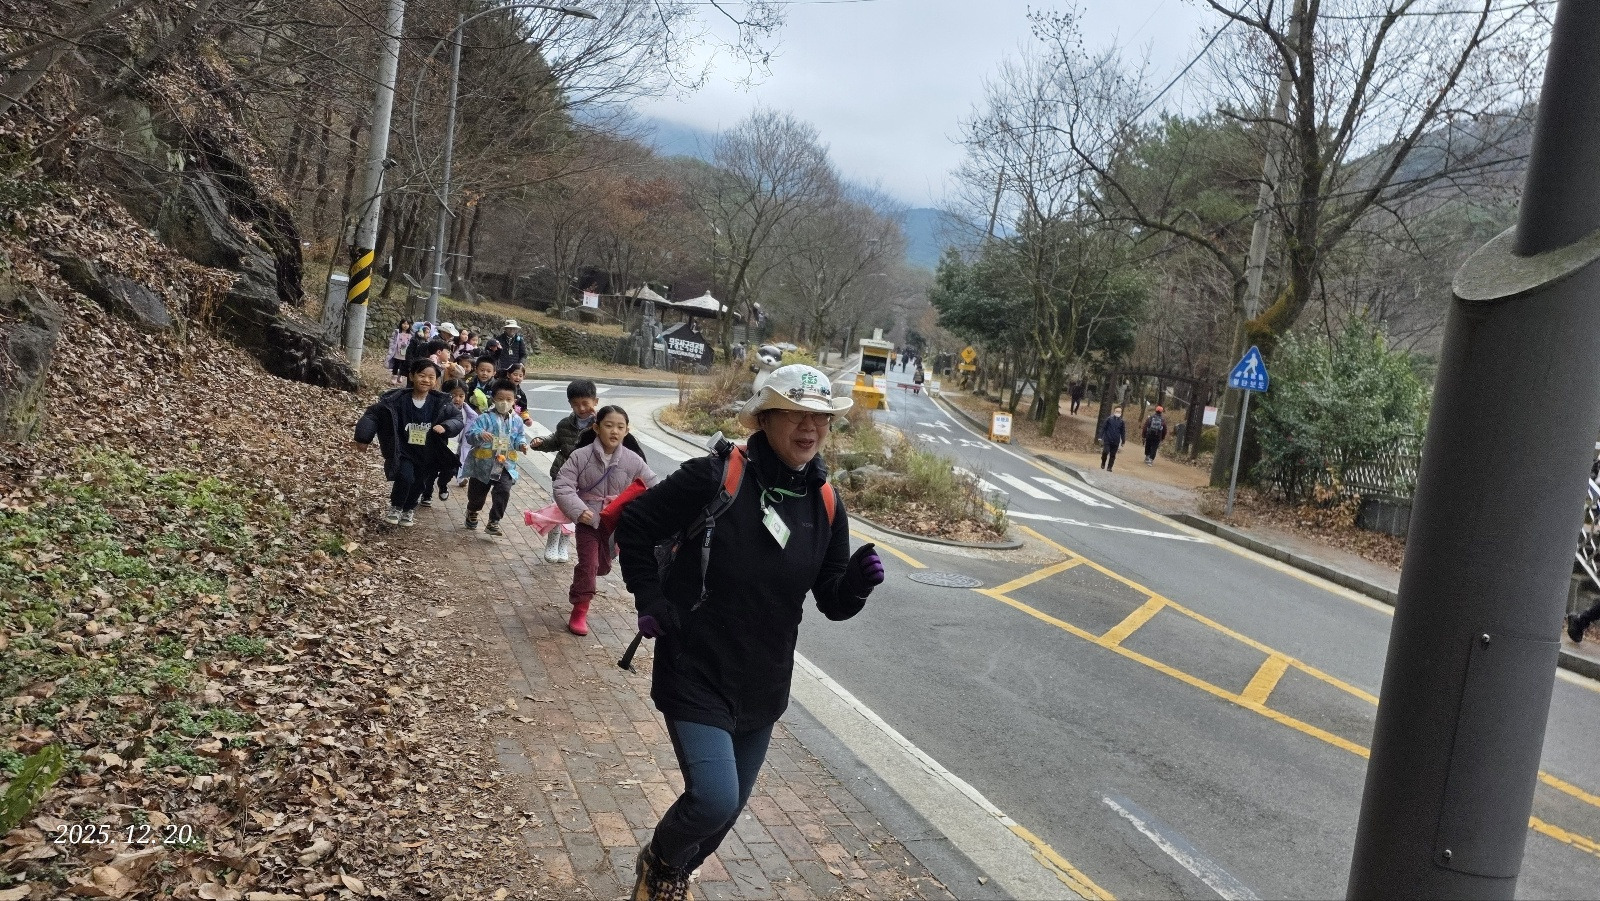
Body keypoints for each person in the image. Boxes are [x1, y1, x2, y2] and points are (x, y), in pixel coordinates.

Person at [615, 364, 885, 901]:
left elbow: (832, 601)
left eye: (821, 418)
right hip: (695, 665)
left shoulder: (826, 503)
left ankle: (670, 872)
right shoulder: (714, 478)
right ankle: (661, 866)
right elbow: (636, 524)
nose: (810, 427)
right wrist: (650, 598)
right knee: (713, 798)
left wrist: (855, 584)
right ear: (764, 418)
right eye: (796, 414)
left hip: (763, 682)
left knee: (727, 811)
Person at [554, 406, 657, 636]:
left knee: (601, 566)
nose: (614, 431)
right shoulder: (580, 456)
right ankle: (580, 609)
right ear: (596, 427)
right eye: (609, 426)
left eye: (620, 427)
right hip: (588, 521)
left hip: (616, 523)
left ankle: (588, 579)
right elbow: (562, 485)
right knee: (589, 565)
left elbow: (653, 487)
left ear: (627, 431)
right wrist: (579, 510)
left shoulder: (633, 460)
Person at [353, 359, 464, 526]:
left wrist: (446, 426)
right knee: (405, 477)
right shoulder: (397, 400)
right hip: (403, 450)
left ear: (436, 381)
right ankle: (396, 506)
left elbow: (457, 418)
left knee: (419, 483)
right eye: (422, 375)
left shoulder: (440, 403)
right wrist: (363, 438)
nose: (426, 380)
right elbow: (373, 415)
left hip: (428, 453)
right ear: (412, 376)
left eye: (431, 377)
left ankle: (409, 509)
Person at [532, 379, 600, 562]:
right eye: (576, 404)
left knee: (574, 513)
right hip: (562, 475)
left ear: (595, 401)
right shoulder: (565, 424)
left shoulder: (601, 426)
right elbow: (556, 441)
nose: (581, 408)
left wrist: (599, 422)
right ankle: (552, 543)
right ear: (570, 404)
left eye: (585, 403)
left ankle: (564, 544)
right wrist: (540, 443)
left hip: (586, 480)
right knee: (558, 509)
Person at [461, 379, 532, 536]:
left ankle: (494, 520)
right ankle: (472, 510)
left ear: (514, 401)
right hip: (483, 464)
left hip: (505, 464)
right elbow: (470, 434)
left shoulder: (517, 421)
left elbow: (519, 437)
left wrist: (522, 445)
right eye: (500, 399)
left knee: (503, 490)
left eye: (508, 399)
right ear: (493, 399)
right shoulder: (484, 418)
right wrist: (480, 434)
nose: (504, 403)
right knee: (477, 494)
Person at [421, 379, 470, 507]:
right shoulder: (439, 408)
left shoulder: (469, 413)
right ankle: (426, 494)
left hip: (455, 449)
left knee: (450, 470)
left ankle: (442, 484)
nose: (457, 399)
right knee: (431, 471)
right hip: (438, 446)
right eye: (453, 395)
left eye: (461, 396)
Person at [1098, 405, 1127, 472]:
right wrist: (1100, 437)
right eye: (1117, 411)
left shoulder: (1122, 422)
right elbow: (1103, 428)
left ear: (1121, 413)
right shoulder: (1109, 419)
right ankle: (1103, 462)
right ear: (1114, 412)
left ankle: (1109, 467)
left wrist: (1123, 441)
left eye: (1119, 412)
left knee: (1113, 455)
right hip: (1107, 439)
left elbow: (1123, 432)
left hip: (1116, 440)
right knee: (1105, 451)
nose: (1118, 413)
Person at [386, 319, 412, 386]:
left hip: (405, 352)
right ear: (401, 324)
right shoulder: (397, 332)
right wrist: (391, 348)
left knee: (403, 365)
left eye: (407, 324)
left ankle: (400, 375)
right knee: (396, 364)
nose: (405, 325)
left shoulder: (411, 334)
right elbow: (392, 340)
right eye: (404, 323)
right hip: (397, 351)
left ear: (409, 325)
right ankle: (394, 376)